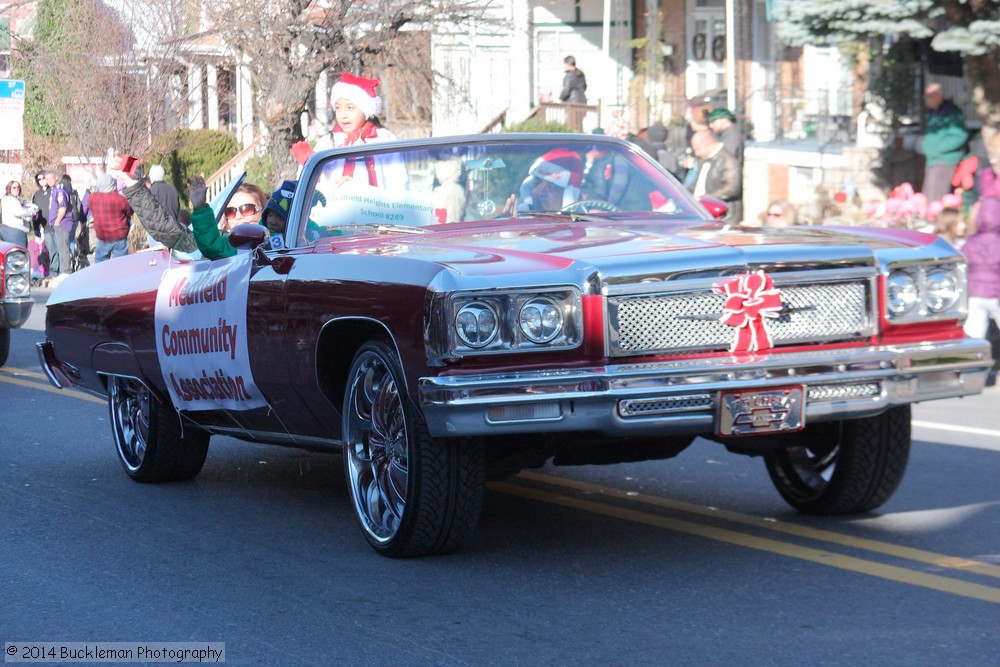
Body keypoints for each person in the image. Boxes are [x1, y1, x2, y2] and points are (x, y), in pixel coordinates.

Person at [291, 72, 407, 192]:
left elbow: (399, 184)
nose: (343, 115)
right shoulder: (328, 143)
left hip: (376, 209)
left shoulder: (384, 140)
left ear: (365, 110)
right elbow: (312, 190)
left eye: (350, 108)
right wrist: (309, 164)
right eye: (338, 108)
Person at [918, 83, 969, 203]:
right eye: (926, 95)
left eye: (931, 95)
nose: (927, 99)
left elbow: (960, 135)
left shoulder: (952, 113)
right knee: (928, 194)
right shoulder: (933, 113)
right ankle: (928, 220)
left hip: (944, 160)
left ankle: (936, 220)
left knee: (937, 195)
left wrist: (938, 149)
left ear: (940, 96)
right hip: (932, 160)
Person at [961, 196, 1000, 340]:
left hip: (975, 293)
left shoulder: (971, 242)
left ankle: (975, 358)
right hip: (996, 293)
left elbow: (964, 263)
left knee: (974, 333)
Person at [690, 129, 742, 222]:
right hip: (705, 213)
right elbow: (697, 185)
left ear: (709, 145)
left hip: (724, 216)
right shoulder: (704, 160)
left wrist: (704, 198)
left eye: (698, 149)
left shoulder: (727, 160)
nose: (697, 154)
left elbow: (732, 188)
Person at [517, 148, 585, 212]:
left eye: (552, 187)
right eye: (537, 183)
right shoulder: (518, 220)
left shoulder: (588, 223)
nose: (540, 192)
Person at [89, 173, 135, 263]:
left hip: (102, 237)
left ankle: (101, 276)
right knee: (120, 265)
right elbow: (130, 211)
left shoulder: (93, 198)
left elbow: (90, 208)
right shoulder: (120, 199)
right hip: (120, 236)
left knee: (100, 265)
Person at [47, 173, 74, 280]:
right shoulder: (54, 191)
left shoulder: (60, 191)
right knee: (60, 248)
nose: (49, 181)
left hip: (62, 224)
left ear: (56, 178)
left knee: (63, 248)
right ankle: (63, 271)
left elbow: (63, 207)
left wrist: (57, 221)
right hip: (58, 224)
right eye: (47, 179)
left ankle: (66, 272)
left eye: (51, 178)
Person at [1, 180, 31, 247]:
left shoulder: (6, 199)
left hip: (8, 229)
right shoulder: (11, 199)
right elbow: (19, 212)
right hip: (15, 230)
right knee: (20, 254)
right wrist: (32, 212)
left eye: (18, 187)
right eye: (14, 187)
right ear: (9, 188)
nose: (16, 189)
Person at [32, 171, 51, 238]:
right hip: (45, 227)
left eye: (43, 178)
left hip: (57, 226)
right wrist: (36, 227)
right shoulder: (37, 195)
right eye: (39, 179)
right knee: (51, 248)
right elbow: (35, 212)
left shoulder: (54, 190)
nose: (42, 180)